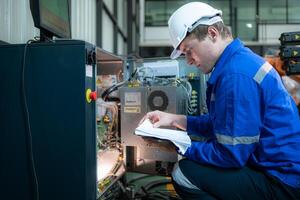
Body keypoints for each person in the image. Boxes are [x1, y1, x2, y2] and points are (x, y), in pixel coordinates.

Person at [139, 2, 300, 199]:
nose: (188, 60)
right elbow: (222, 123)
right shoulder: (238, 63)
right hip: (277, 169)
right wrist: (174, 120)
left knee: (183, 173)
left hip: (281, 182)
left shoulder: (235, 75)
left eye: (189, 50)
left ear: (212, 33)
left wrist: (179, 147)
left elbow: (231, 154)